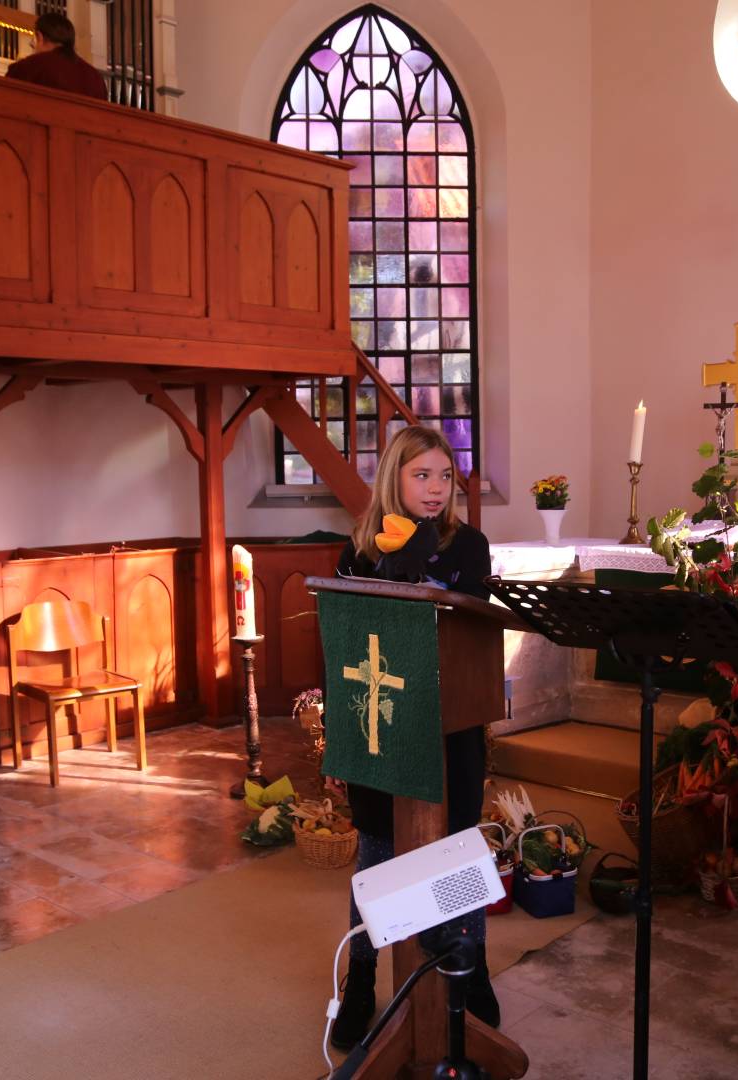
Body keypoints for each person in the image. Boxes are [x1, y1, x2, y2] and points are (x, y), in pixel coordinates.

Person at [327, 425, 496, 1050]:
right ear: (394, 478)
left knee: (454, 849)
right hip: (382, 723)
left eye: (444, 476)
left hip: (450, 722)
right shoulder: (358, 549)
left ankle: (468, 970)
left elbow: (469, 623)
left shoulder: (468, 545)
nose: (434, 489)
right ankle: (364, 979)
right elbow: (351, 626)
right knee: (378, 849)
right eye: (421, 475)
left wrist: (425, 558)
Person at [4, 12, 107, 101]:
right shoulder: (96, 78)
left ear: (39, 37)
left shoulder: (28, 67)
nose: (33, 48)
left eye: (33, 43)